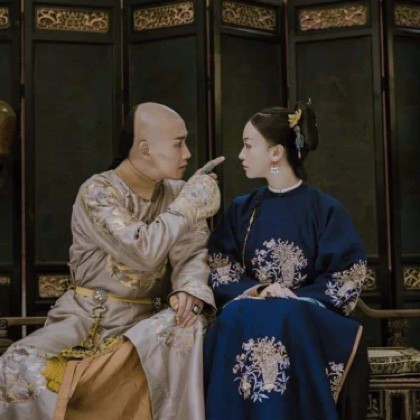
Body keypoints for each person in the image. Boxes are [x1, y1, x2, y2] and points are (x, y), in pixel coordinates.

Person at [0, 102, 224, 420]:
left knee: (184, 327)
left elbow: (191, 254)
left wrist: (189, 288)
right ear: (145, 149)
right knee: (18, 364)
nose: (187, 153)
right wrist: (186, 209)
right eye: (178, 143)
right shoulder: (98, 193)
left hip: (145, 323)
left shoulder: (177, 194)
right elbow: (142, 250)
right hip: (85, 318)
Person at [204, 102, 370, 420]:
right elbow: (222, 266)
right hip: (250, 307)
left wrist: (293, 297)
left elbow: (347, 274)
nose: (240, 155)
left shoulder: (325, 210)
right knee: (235, 315)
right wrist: (260, 290)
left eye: (248, 145)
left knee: (287, 316)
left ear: (276, 153)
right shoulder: (241, 209)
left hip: (304, 314)